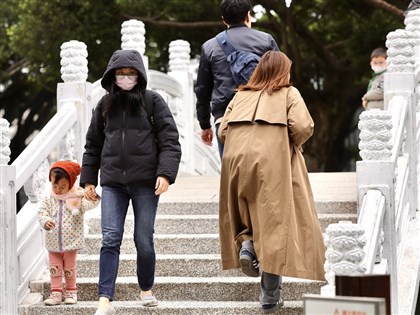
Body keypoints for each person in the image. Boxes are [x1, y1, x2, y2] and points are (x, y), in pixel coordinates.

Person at [218, 51, 325, 314]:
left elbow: (222, 131)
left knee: (246, 212)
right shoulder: (289, 93)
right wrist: (285, 145)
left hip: (236, 162)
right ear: (282, 72)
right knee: (275, 226)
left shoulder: (240, 95)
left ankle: (247, 243)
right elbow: (302, 127)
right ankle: (269, 296)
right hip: (271, 163)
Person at [80, 49, 181, 315]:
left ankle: (146, 288)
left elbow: (170, 140)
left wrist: (165, 173)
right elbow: (92, 145)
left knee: (143, 239)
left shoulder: (152, 101)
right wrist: (89, 180)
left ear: (139, 76)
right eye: (121, 73)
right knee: (110, 238)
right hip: (112, 182)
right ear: (112, 76)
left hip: (146, 182)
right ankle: (105, 299)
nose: (126, 77)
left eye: (131, 73)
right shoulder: (104, 106)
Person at [195, 0, 279, 158]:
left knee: (231, 174)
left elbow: (202, 90)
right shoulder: (266, 40)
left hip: (227, 119)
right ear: (248, 15)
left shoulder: (210, 47)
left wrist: (205, 124)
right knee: (263, 173)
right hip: (262, 116)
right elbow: (279, 80)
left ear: (224, 20)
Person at [38, 160, 100, 306]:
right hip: (53, 242)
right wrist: (46, 221)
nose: (58, 190)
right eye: (55, 185)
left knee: (69, 268)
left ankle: (71, 292)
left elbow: (90, 204)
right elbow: (42, 212)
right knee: (54, 269)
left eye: (63, 186)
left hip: (71, 242)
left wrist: (92, 196)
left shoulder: (76, 198)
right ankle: (56, 293)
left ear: (70, 184)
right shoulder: (49, 198)